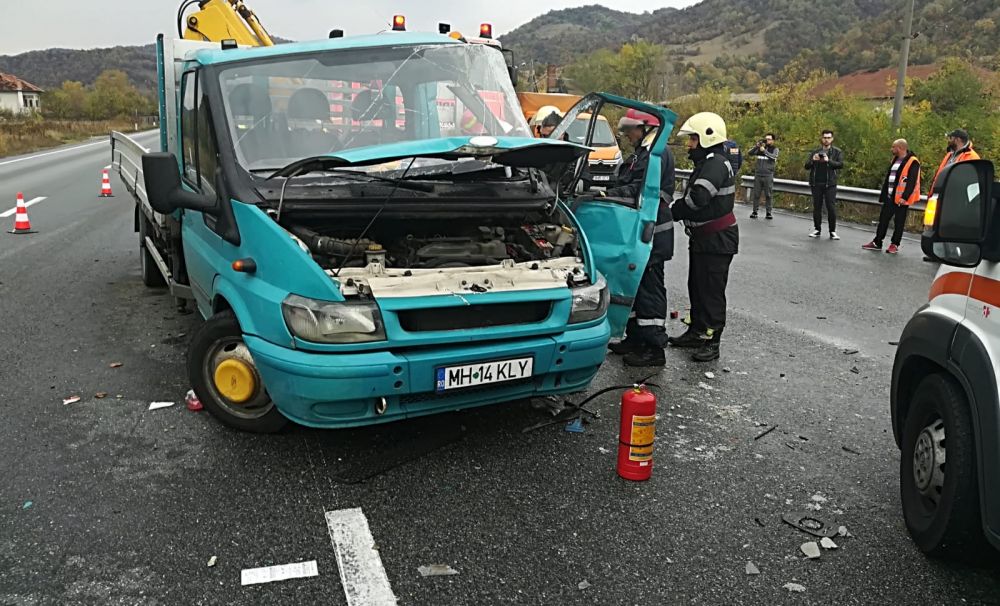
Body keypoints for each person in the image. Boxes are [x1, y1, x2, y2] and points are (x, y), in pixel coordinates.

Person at [604, 108, 676, 367]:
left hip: (652, 232)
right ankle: (635, 338)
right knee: (635, 286)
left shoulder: (656, 154)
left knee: (650, 290)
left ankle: (654, 348)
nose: (627, 135)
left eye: (630, 130)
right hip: (641, 231)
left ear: (645, 128)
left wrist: (608, 195)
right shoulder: (643, 153)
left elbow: (640, 189)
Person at [668, 111, 739, 363]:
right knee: (697, 287)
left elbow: (699, 197)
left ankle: (712, 341)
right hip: (704, 239)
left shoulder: (715, 163)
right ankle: (696, 332)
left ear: (707, 137)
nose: (689, 145)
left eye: (693, 139)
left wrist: (673, 211)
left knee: (711, 292)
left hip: (717, 240)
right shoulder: (710, 161)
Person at [862, 139, 921, 254]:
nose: (891, 149)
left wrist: (905, 197)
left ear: (900, 148)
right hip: (890, 197)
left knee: (899, 223)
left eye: (893, 147)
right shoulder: (895, 159)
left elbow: (911, 181)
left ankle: (894, 244)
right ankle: (877, 242)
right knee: (883, 220)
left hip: (901, 199)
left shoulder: (912, 161)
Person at [805, 129, 844, 240]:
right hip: (816, 183)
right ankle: (817, 229)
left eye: (828, 138)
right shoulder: (815, 151)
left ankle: (832, 231)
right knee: (817, 207)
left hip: (830, 184)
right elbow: (806, 166)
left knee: (831, 207)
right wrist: (813, 160)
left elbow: (840, 164)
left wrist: (828, 160)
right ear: (821, 139)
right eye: (824, 137)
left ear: (832, 139)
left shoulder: (837, 152)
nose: (826, 140)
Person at [928, 128, 979, 196]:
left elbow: (970, 182)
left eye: (951, 138)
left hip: (957, 197)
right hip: (941, 195)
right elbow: (939, 175)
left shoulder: (972, 157)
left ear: (957, 139)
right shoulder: (950, 154)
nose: (949, 141)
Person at [747, 133, 779, 219]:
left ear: (773, 140)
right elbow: (750, 153)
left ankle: (768, 212)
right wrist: (756, 146)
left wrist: (764, 151)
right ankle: (755, 211)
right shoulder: (760, 148)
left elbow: (773, 157)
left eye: (769, 139)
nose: (767, 140)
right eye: (766, 139)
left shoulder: (775, 149)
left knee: (768, 194)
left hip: (768, 175)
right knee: (756, 194)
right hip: (758, 174)